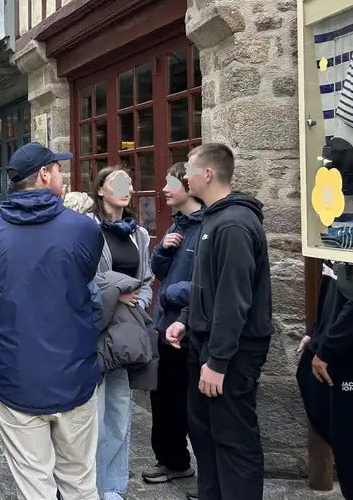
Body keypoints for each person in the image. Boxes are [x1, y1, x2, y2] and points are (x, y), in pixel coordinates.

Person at [0, 142, 104, 500]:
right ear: (44, 174)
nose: (61, 174)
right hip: (72, 372)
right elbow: (88, 286)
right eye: (57, 169)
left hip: (15, 374)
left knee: (35, 486)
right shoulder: (83, 228)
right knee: (80, 482)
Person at [166, 143, 273, 500]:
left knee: (233, 440)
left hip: (231, 355)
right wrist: (185, 319)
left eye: (189, 170)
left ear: (208, 174)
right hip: (204, 345)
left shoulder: (235, 224)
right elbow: (205, 284)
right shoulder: (212, 218)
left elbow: (233, 299)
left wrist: (218, 362)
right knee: (205, 437)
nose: (184, 177)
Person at [87, 166, 153, 500]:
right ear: (100, 190)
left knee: (119, 409)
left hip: (126, 332)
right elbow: (85, 277)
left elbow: (147, 279)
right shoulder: (87, 229)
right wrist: (117, 293)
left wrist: (139, 300)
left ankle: (113, 486)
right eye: (117, 183)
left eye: (129, 182)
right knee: (94, 415)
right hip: (97, 329)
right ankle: (90, 486)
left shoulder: (138, 234)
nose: (126, 188)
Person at [143, 162, 203, 485]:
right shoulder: (176, 224)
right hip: (165, 327)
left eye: (170, 183)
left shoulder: (207, 225)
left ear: (188, 186)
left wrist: (171, 296)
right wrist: (162, 252)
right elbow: (158, 270)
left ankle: (208, 475)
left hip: (190, 329)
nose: (164, 189)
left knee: (192, 406)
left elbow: (205, 285)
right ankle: (172, 461)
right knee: (163, 399)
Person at [296, 262, 353, 500]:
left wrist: (327, 348)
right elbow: (330, 286)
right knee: (345, 445)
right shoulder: (336, 244)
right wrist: (316, 333)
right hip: (335, 350)